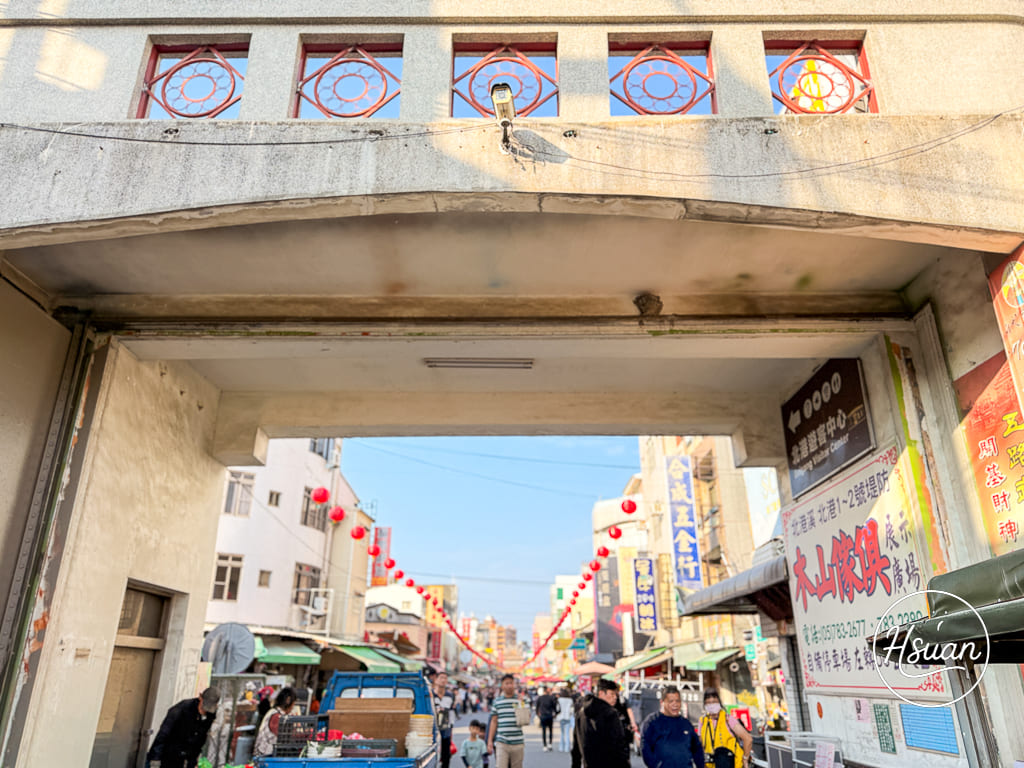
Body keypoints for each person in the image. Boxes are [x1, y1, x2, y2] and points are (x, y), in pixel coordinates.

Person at [146, 687, 220, 768]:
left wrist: (194, 761)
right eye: (204, 707)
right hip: (168, 755)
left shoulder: (210, 716)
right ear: (200, 698)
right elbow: (163, 734)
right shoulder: (181, 709)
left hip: (186, 759)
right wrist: (155, 760)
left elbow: (200, 740)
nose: (204, 711)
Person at [571, 679, 630, 768]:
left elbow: (576, 746)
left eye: (616, 694)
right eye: (612, 694)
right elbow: (619, 745)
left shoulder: (581, 713)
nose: (615, 697)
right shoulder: (610, 713)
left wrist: (575, 765)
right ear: (601, 693)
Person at [640, 687, 703, 768]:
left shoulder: (686, 723)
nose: (675, 704)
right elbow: (645, 747)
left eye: (677, 701)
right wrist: (656, 765)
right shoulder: (651, 722)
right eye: (671, 701)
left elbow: (697, 748)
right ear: (662, 702)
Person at [698, 689, 752, 768]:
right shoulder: (702, 721)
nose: (711, 705)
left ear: (719, 703)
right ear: (705, 705)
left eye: (714, 702)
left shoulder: (728, 719)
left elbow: (748, 739)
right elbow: (700, 745)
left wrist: (745, 759)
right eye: (708, 703)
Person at [486, 674, 525, 768]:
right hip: (502, 742)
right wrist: (490, 741)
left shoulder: (520, 700)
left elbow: (526, 719)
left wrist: (522, 703)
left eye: (511, 683)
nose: (509, 686)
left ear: (514, 684)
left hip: (518, 742)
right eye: (506, 683)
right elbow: (493, 721)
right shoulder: (497, 701)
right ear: (502, 686)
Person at [254, 687, 298, 758]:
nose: (293, 707)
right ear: (288, 700)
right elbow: (286, 736)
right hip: (265, 757)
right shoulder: (276, 716)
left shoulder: (277, 713)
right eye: (293, 703)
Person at [434, 672, 457, 768]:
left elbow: (452, 712)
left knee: (446, 753)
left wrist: (451, 726)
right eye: (441, 678)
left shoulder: (450, 695)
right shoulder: (431, 694)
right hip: (433, 727)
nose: (443, 680)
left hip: (446, 727)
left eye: (445, 678)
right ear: (436, 680)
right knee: (433, 750)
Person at [535, 686, 559, 752]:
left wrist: (538, 715)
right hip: (549, 715)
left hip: (542, 716)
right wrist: (556, 714)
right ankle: (550, 744)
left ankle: (545, 745)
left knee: (544, 731)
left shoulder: (540, 698)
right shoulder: (551, 698)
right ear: (547, 690)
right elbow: (554, 707)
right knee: (551, 730)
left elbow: (537, 707)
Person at [556, 687, 575, 753]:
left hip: (561, 717)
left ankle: (561, 747)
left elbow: (557, 708)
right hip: (568, 717)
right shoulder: (570, 700)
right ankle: (567, 747)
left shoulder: (559, 699)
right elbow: (572, 710)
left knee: (562, 733)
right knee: (567, 733)